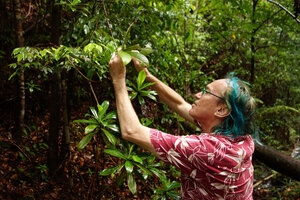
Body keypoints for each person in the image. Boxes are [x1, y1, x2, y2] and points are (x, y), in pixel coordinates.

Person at [109, 52, 256, 200]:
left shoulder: (207, 150)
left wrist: (119, 79)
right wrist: (147, 76)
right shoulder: (240, 137)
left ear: (221, 110)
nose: (197, 94)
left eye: (206, 92)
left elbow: (132, 131)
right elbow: (180, 105)